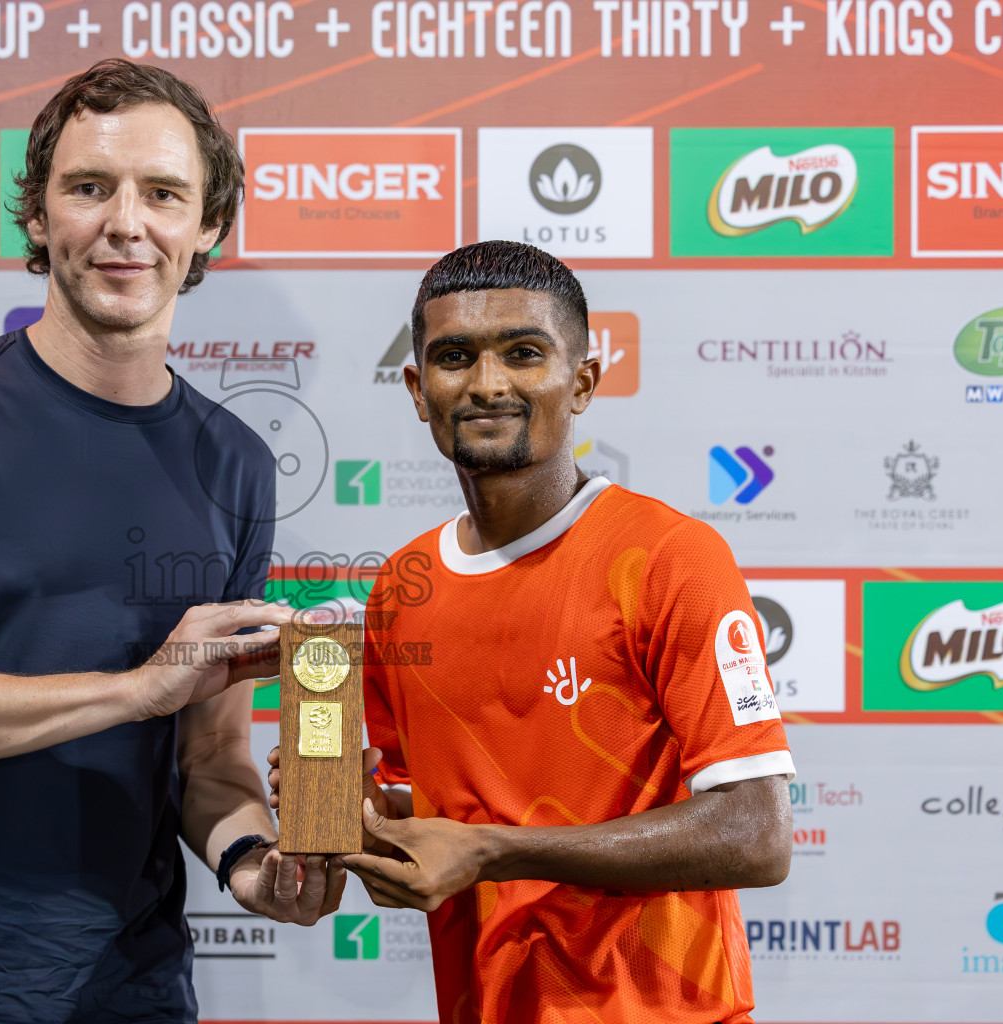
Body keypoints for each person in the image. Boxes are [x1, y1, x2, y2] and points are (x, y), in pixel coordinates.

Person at [0, 60, 343, 1024]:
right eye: (90, 188)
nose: (125, 223)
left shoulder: (237, 463)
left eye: (164, 194)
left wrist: (255, 865)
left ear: (208, 226)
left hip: (125, 993)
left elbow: (210, 760)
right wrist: (135, 691)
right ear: (40, 216)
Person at [271, 240, 794, 1023]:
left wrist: (496, 853)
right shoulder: (402, 588)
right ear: (418, 390)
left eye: (523, 353)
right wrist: (347, 809)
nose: (487, 385)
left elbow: (756, 833)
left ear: (581, 380)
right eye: (454, 357)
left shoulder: (670, 558)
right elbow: (437, 818)